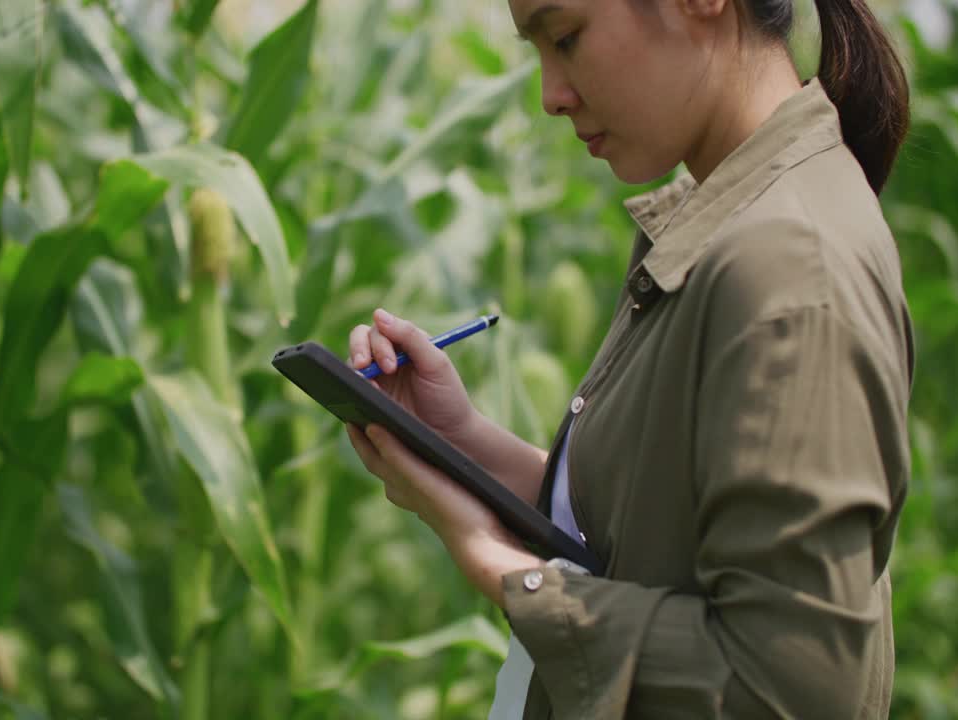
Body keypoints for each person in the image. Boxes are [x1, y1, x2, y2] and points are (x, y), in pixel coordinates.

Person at [343, 0, 914, 716]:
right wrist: (462, 442)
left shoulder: (788, 267)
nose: (551, 93)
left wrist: (494, 560)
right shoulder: (735, 224)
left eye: (567, 38)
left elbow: (790, 687)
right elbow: (634, 539)